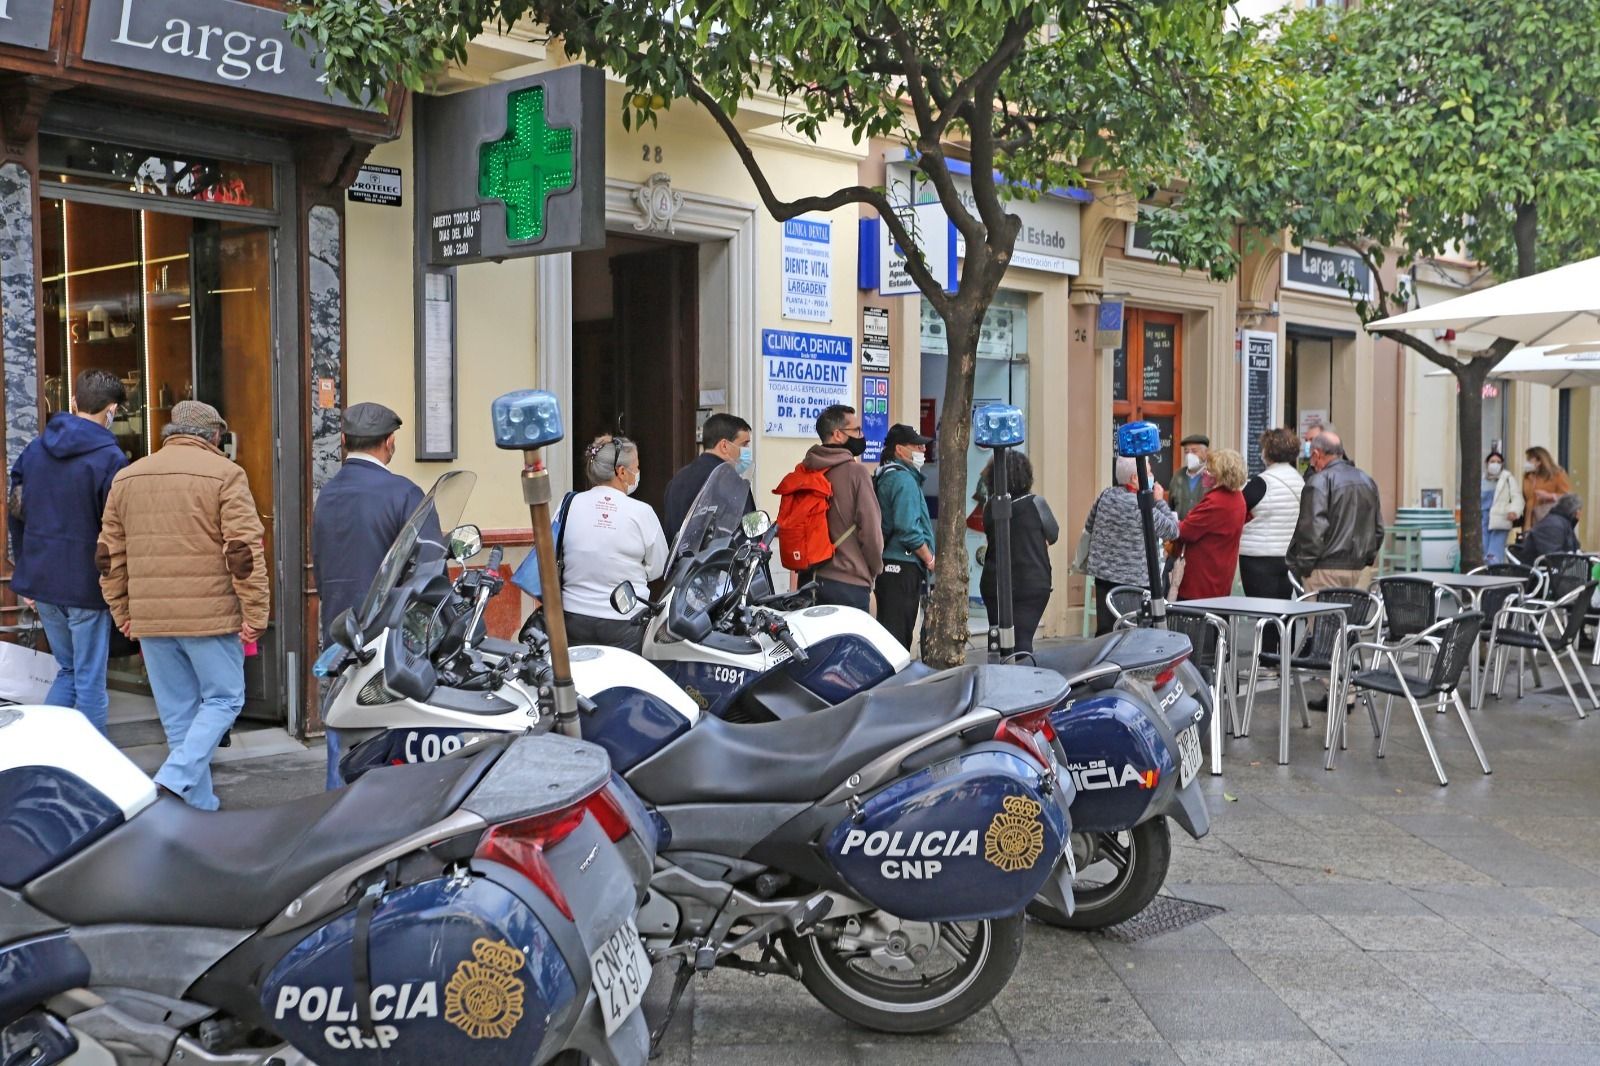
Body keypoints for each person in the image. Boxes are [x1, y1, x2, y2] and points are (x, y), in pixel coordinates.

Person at [98, 400, 268, 810]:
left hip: (152, 618)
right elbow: (242, 552)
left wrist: (122, 610)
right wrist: (256, 613)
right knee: (225, 700)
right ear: (213, 436)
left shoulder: (127, 477)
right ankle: (173, 779)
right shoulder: (227, 475)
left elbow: (107, 555)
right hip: (210, 618)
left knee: (178, 719)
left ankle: (199, 807)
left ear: (171, 433)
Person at [7, 368, 129, 733]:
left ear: (73, 402)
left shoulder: (34, 450)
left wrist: (25, 571)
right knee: (89, 679)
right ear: (112, 410)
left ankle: (45, 755)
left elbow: (16, 511)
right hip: (86, 584)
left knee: (70, 671)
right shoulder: (110, 459)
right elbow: (116, 531)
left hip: (42, 580)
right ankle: (93, 771)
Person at [533, 435, 667, 653]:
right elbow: (657, 568)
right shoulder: (641, 512)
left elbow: (551, 550)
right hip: (625, 619)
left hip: (572, 617)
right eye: (637, 467)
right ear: (621, 472)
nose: (638, 473)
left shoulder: (569, 504)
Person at [311, 403, 425, 643]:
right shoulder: (404, 493)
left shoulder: (327, 494)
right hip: (390, 636)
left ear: (343, 439)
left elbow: (320, 568)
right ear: (389, 441)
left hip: (339, 634)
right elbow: (428, 568)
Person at [794, 404, 883, 610]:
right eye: (857, 430)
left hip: (808, 582)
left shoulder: (806, 471)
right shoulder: (856, 473)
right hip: (848, 584)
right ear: (837, 434)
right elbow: (871, 532)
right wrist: (875, 568)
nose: (861, 435)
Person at [1081, 457, 1179, 636]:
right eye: (1148, 472)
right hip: (1134, 581)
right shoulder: (1141, 506)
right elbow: (1173, 530)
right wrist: (1158, 500)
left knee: (1106, 631)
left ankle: (1103, 662)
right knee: (1131, 633)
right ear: (1135, 477)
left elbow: (1089, 525)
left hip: (1104, 576)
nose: (1152, 476)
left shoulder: (1105, 495)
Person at [979, 450, 1057, 654]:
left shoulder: (990, 508)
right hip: (1032, 582)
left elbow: (991, 536)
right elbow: (1053, 535)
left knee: (1000, 643)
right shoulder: (1036, 503)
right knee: (1022, 642)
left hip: (995, 583)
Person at [1285, 431, 1384, 592]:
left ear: (1317, 454)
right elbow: (1378, 529)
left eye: (1311, 458)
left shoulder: (1319, 481)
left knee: (1321, 616)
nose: (1312, 464)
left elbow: (1313, 530)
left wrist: (1304, 566)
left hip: (1324, 568)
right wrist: (1366, 559)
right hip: (1357, 568)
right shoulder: (1367, 480)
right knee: (1351, 617)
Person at [1237, 428, 1306, 653]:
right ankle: (1284, 656)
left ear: (1268, 451)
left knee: (1264, 613)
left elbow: (1239, 509)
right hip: (1289, 556)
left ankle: (1266, 657)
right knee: (1286, 609)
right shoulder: (1301, 481)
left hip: (1258, 557)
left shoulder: (1261, 482)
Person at [873, 424, 935, 650]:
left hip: (891, 565)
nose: (922, 449)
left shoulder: (889, 474)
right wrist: (929, 559)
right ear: (899, 449)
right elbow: (908, 528)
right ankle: (894, 684)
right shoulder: (904, 479)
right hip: (902, 565)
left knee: (891, 630)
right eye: (917, 445)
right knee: (898, 636)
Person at [663, 413, 754, 540]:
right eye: (744, 445)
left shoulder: (678, 479)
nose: (747, 450)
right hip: (720, 559)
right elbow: (747, 533)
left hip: (682, 559)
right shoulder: (732, 482)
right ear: (724, 446)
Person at [1174, 448, 1248, 601]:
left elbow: (1185, 531)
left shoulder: (1216, 502)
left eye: (1209, 470)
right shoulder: (1238, 498)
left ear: (1221, 475)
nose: (1204, 473)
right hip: (1220, 577)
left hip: (1201, 582)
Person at [1481, 450, 1523, 566]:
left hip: (1500, 519)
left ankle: (1494, 575)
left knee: (1494, 553)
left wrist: (1514, 511)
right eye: (1492, 461)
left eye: (1498, 462)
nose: (1495, 464)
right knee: (1482, 550)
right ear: (1487, 463)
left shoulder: (1507, 479)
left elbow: (1517, 497)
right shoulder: (1482, 480)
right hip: (1483, 520)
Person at [1521, 492, 1581, 559]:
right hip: (1541, 566)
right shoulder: (1554, 525)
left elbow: (1574, 547)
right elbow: (1552, 556)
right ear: (1576, 511)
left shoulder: (1562, 522)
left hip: (1551, 565)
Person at [1521, 446, 1571, 528]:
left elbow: (1567, 497)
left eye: (1529, 460)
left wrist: (1550, 496)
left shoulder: (1557, 474)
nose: (1527, 462)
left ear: (1539, 461)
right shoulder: (1528, 476)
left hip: (1550, 518)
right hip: (1530, 520)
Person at [1167, 433, 1210, 519]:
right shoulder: (1178, 476)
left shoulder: (1211, 476)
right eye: (1186, 452)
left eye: (1194, 451)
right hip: (1180, 530)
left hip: (1204, 530)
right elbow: (1171, 507)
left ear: (1205, 453)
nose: (1189, 455)